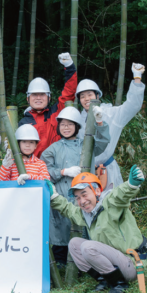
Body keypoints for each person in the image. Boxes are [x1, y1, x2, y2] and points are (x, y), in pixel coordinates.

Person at [47, 166, 147, 293]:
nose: (82, 201)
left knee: (88, 246)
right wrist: (54, 196)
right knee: (74, 244)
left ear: (97, 191)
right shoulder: (86, 213)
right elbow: (68, 209)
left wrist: (131, 185)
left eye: (84, 194)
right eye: (78, 198)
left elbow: (120, 195)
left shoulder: (110, 203)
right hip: (113, 261)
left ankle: (119, 284)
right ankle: (105, 279)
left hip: (130, 263)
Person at [41, 106, 110, 264]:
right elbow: (44, 172)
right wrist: (63, 171)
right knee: (61, 230)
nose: (66, 128)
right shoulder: (53, 149)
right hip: (63, 196)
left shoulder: (86, 145)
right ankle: (60, 264)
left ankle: (87, 263)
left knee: (86, 229)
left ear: (77, 126)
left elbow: (104, 141)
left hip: (85, 197)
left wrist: (100, 122)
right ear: (58, 127)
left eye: (70, 124)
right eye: (63, 124)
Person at [76, 64, 146, 187]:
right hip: (84, 172)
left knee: (112, 203)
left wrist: (137, 77)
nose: (86, 99)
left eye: (89, 94)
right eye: (82, 96)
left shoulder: (110, 114)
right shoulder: (77, 120)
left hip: (107, 170)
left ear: (97, 96)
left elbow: (132, 106)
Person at [19, 53, 78, 157]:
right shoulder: (24, 123)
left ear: (49, 98)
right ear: (28, 98)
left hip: (59, 165)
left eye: (42, 94)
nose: (38, 98)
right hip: (35, 169)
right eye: (34, 95)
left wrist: (69, 67)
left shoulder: (57, 112)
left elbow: (69, 93)